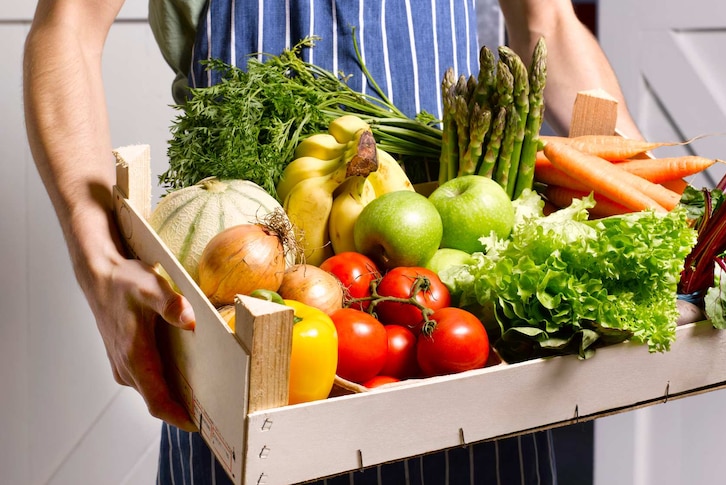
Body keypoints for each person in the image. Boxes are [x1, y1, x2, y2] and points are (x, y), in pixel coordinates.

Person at [23, 0, 639, 483]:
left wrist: (639, 188)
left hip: (440, 330)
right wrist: (94, 255)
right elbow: (68, 25)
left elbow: (549, 19)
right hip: (243, 328)